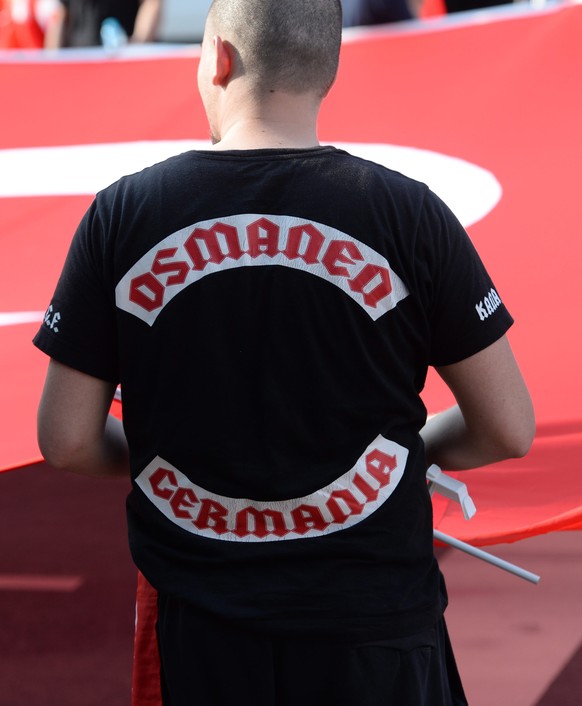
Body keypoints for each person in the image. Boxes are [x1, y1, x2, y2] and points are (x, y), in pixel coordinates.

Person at [34, 0, 535, 704]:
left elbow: (65, 440)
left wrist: (165, 456)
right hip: (375, 630)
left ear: (217, 60)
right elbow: (508, 427)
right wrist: (408, 457)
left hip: (203, 636)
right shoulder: (410, 212)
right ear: (328, 71)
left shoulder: (123, 212)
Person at [43, 0, 161, 48]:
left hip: (120, 58)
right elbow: (61, 13)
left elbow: (151, 3)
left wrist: (138, 43)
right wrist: (52, 59)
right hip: (78, 59)